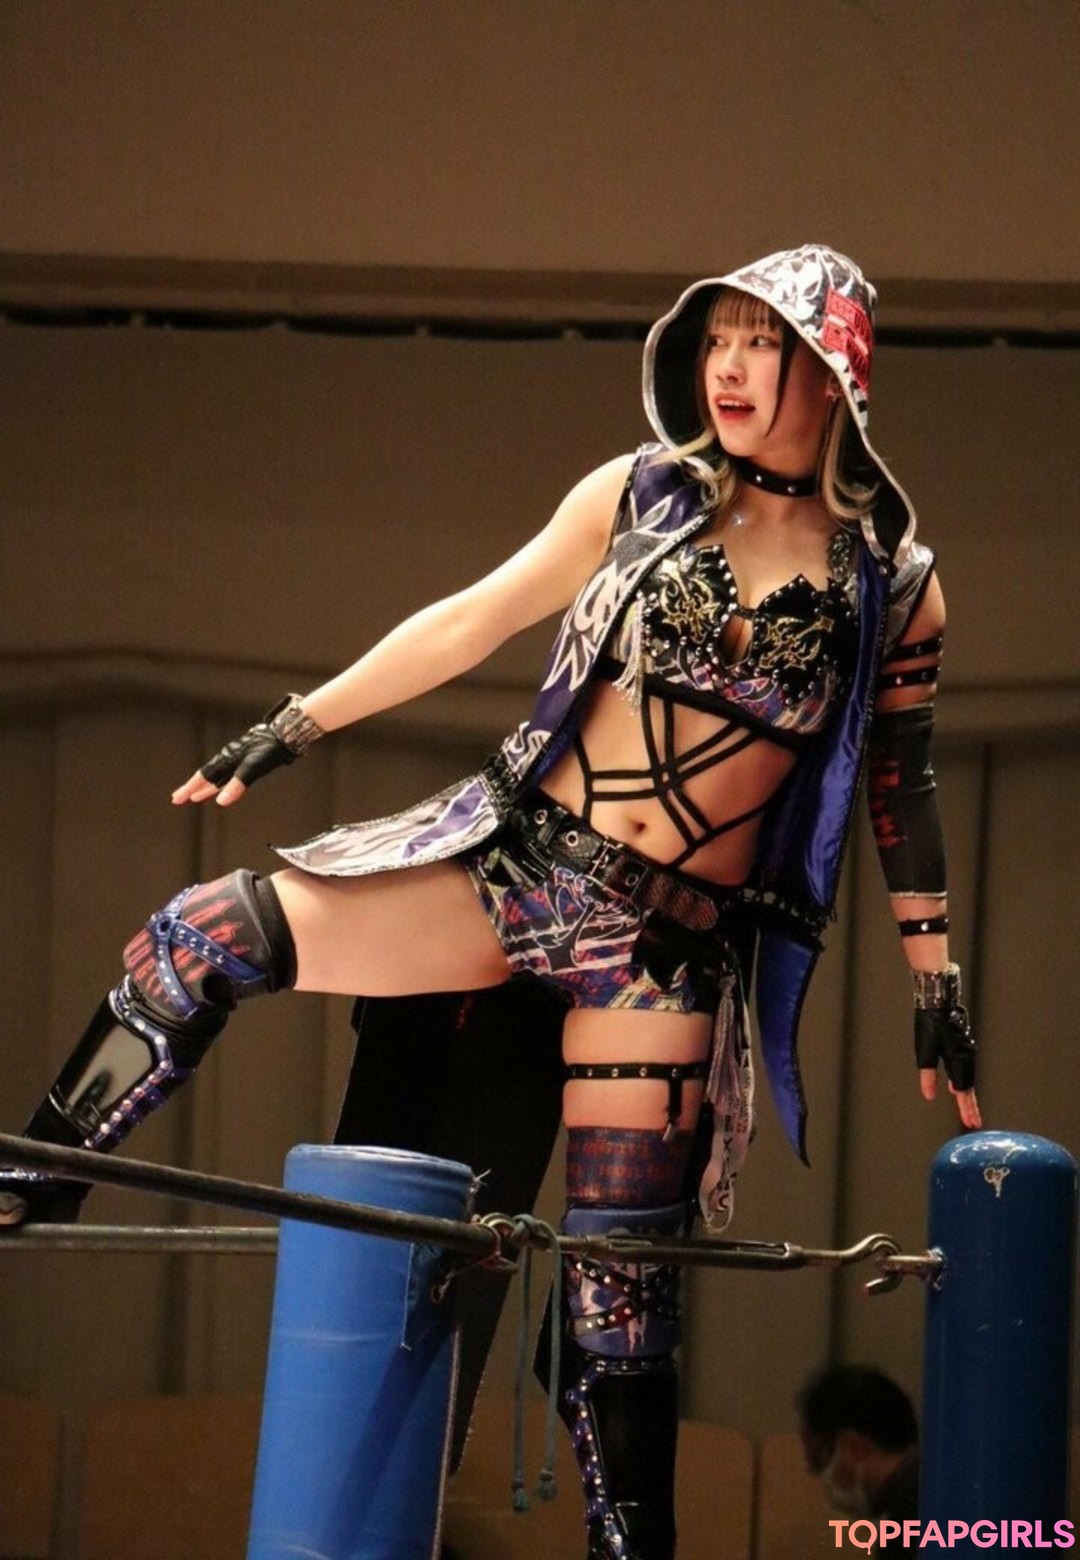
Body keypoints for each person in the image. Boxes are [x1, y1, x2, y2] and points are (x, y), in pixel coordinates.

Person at [0, 245, 979, 1560]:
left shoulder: (893, 585)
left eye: (765, 342)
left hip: (664, 954)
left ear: (832, 372)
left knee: (620, 1316)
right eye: (719, 338)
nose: (732, 368)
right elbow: (475, 615)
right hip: (525, 868)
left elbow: (901, 787)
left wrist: (936, 982)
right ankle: (31, 1177)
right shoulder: (638, 493)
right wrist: (293, 725)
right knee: (205, 935)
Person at [798, 1364, 919, 1524]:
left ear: (853, 1445)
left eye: (820, 1461)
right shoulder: (937, 1489)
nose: (824, 1479)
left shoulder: (909, 1520)